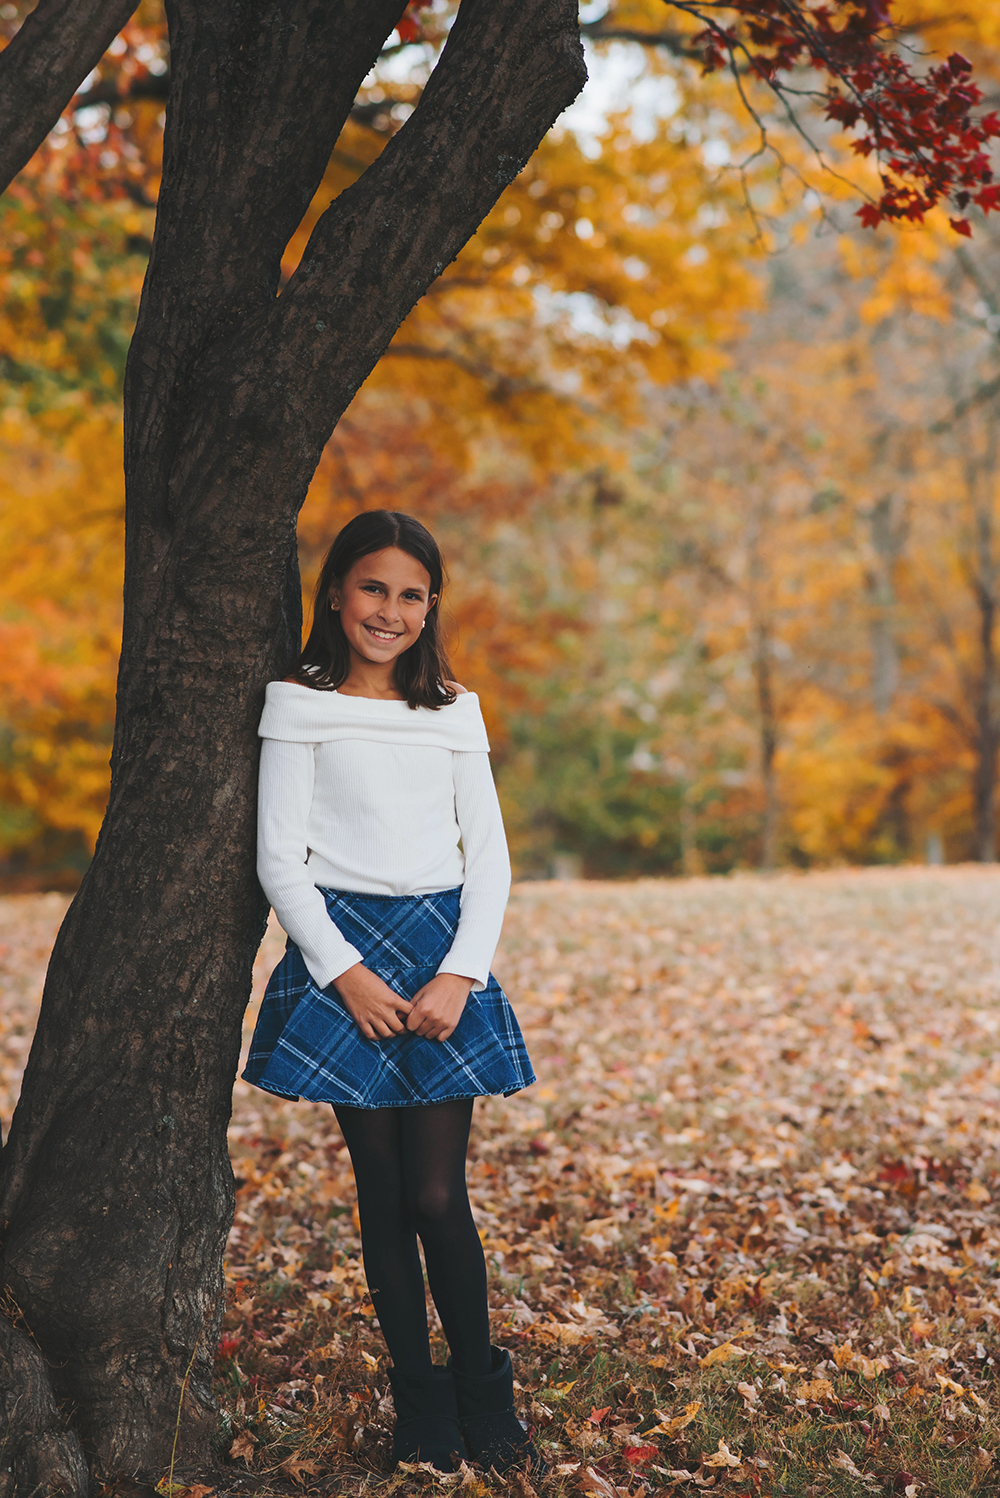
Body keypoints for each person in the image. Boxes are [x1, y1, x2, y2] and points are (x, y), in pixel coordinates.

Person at [243, 510, 540, 1476]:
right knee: (381, 1194)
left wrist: (462, 970)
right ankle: (420, 1404)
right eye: (374, 587)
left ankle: (484, 1392)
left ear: (431, 606)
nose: (391, 610)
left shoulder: (452, 709)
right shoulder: (298, 705)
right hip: (345, 955)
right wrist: (346, 975)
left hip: (441, 948)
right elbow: (279, 861)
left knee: (437, 1194)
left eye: (412, 595)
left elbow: (489, 859)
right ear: (336, 591)